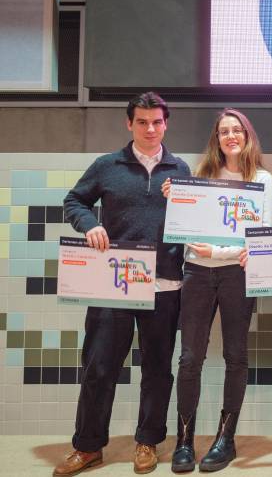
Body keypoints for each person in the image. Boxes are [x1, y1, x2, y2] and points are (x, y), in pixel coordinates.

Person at [55, 92, 191, 476]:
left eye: (157, 122)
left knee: (157, 369)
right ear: (129, 124)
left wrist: (181, 201)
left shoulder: (180, 169)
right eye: (143, 122)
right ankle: (87, 447)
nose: (151, 129)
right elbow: (74, 201)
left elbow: (196, 223)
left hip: (164, 285)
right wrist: (90, 224)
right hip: (112, 283)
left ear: (166, 124)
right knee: (99, 367)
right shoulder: (106, 165)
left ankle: (147, 442)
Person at [161, 109, 272, 473]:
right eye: (224, 131)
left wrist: (220, 252)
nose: (231, 136)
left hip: (237, 276)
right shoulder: (201, 175)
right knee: (190, 358)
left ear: (247, 135)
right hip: (196, 272)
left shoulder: (262, 179)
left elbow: (260, 237)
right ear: (217, 138)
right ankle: (183, 441)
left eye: (236, 130)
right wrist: (174, 198)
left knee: (236, 357)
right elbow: (185, 229)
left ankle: (226, 439)